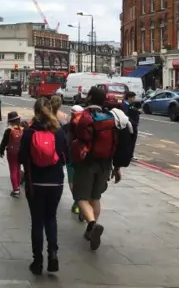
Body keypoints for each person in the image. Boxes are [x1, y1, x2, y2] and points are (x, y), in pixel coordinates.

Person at [71, 86, 123, 251]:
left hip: (87, 162)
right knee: (96, 197)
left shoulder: (85, 117)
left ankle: (92, 225)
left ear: (90, 98)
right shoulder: (111, 117)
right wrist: (117, 167)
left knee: (81, 197)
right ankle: (90, 230)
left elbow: (79, 138)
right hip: (105, 163)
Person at [19, 97, 65, 275]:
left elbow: (22, 157)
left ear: (35, 112)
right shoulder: (59, 132)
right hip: (56, 182)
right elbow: (63, 156)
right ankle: (53, 254)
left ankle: (37, 261)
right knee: (51, 218)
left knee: (37, 222)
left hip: (36, 182)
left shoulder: (29, 133)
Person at [65, 105, 85, 217]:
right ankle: (79, 203)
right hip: (83, 157)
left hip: (70, 158)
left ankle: (77, 203)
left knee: (72, 181)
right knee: (81, 181)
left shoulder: (67, 127)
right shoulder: (86, 127)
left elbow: (65, 143)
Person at [0, 111, 24, 197]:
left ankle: (15, 190)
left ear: (10, 121)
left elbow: (4, 142)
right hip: (20, 152)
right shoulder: (22, 129)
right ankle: (18, 186)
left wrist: (1, 151)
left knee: (13, 169)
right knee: (18, 169)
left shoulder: (9, 130)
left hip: (11, 153)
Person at [122, 91, 140, 160]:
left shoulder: (131, 105)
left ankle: (130, 155)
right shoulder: (125, 105)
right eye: (133, 97)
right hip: (130, 126)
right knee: (130, 141)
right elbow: (126, 116)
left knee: (133, 141)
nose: (134, 99)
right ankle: (128, 156)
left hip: (134, 125)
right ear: (129, 98)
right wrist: (133, 123)